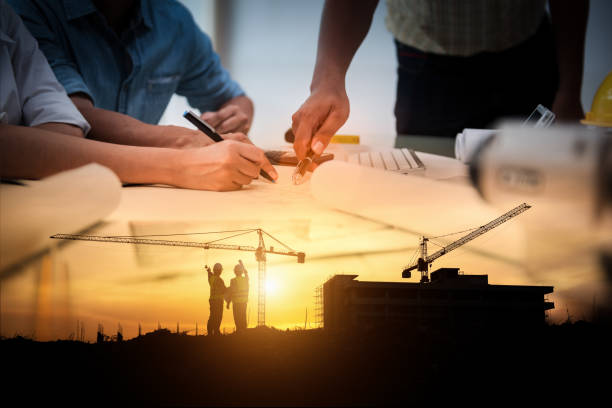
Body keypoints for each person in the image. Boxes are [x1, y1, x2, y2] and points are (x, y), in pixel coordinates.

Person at [0, 1, 268, 191]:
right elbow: (75, 120)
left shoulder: (173, 20)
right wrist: (180, 152)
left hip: (134, 194)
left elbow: (64, 134)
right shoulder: (30, 8)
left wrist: (234, 116)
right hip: (60, 192)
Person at [291, 0, 588, 168]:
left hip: (523, 60)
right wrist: (327, 82)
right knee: (422, 189)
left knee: (531, 186)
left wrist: (569, 90)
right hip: (424, 65)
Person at [226, 260, 249, 332]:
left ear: (235, 272)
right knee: (243, 317)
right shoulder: (246, 279)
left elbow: (231, 292)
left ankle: (239, 332)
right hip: (244, 303)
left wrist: (228, 303)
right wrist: (242, 265)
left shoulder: (233, 280)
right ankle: (244, 332)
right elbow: (246, 273)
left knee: (237, 319)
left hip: (236, 303)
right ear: (241, 272)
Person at [206, 263, 226, 336]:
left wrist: (209, 271)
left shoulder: (211, 278)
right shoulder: (219, 280)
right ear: (219, 271)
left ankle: (210, 332)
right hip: (218, 301)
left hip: (212, 300)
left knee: (212, 316)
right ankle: (216, 331)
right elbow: (224, 290)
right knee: (218, 316)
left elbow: (210, 275)